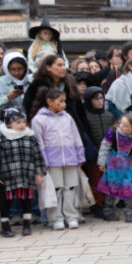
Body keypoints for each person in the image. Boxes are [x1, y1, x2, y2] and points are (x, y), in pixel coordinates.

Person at [32, 89, 85, 230]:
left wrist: (79, 155)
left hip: (70, 158)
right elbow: (39, 142)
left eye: (64, 101)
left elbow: (76, 137)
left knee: (71, 187)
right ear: (49, 102)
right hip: (52, 160)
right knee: (55, 189)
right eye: (60, 101)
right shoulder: (39, 119)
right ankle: (56, 218)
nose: (63, 104)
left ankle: (71, 216)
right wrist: (44, 161)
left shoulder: (67, 117)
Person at [0, 108, 46, 237]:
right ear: (9, 124)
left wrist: (39, 173)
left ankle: (27, 223)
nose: (22, 125)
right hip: (7, 174)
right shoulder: (2, 137)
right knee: (5, 200)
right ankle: (5, 224)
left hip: (26, 173)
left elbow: (37, 156)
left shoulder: (30, 136)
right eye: (18, 122)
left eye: (24, 122)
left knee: (26, 198)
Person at [97, 113, 132, 223]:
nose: (121, 126)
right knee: (111, 188)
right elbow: (104, 146)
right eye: (121, 123)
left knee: (129, 188)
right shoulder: (113, 132)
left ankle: (129, 211)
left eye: (125, 125)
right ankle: (108, 211)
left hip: (129, 167)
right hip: (113, 165)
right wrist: (101, 162)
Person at [82, 87, 114, 218]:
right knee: (96, 181)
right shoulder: (86, 116)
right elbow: (87, 135)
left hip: (109, 153)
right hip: (93, 154)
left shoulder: (109, 115)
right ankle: (98, 205)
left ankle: (108, 204)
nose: (99, 101)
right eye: (96, 98)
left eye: (101, 98)